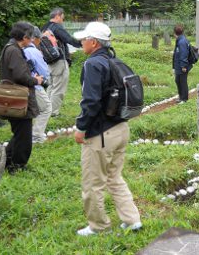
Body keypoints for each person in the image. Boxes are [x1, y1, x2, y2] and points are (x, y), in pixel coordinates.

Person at [73, 22, 141, 236]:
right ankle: (132, 220)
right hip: (120, 127)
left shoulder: (93, 64)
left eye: (84, 39)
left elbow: (91, 101)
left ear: (93, 42)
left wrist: (81, 128)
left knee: (93, 184)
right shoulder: (114, 60)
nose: (81, 42)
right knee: (114, 177)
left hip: (101, 135)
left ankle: (99, 226)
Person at [0, 22, 43, 173]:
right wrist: (35, 80)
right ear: (24, 37)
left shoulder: (10, 48)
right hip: (18, 99)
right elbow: (20, 75)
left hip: (13, 98)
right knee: (24, 136)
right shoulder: (14, 50)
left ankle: (4, 162)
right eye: (30, 38)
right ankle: (17, 166)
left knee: (20, 134)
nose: (31, 41)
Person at [42, 8, 81, 117]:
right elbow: (69, 39)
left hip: (48, 62)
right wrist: (83, 43)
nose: (63, 19)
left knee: (51, 86)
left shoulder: (44, 27)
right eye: (62, 17)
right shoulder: (57, 27)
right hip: (59, 61)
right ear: (58, 16)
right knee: (59, 88)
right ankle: (53, 113)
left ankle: (46, 110)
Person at [23, 27, 52, 144]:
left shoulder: (21, 49)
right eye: (39, 38)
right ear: (34, 39)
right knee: (46, 108)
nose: (40, 41)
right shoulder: (33, 51)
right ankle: (36, 136)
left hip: (22, 85)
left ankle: (27, 135)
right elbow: (44, 71)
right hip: (35, 85)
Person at [172, 25, 192, 104]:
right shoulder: (180, 40)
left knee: (182, 82)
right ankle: (181, 97)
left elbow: (183, 54)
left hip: (182, 66)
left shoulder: (182, 42)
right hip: (178, 65)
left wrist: (183, 66)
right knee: (178, 81)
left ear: (175, 33)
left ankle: (184, 99)